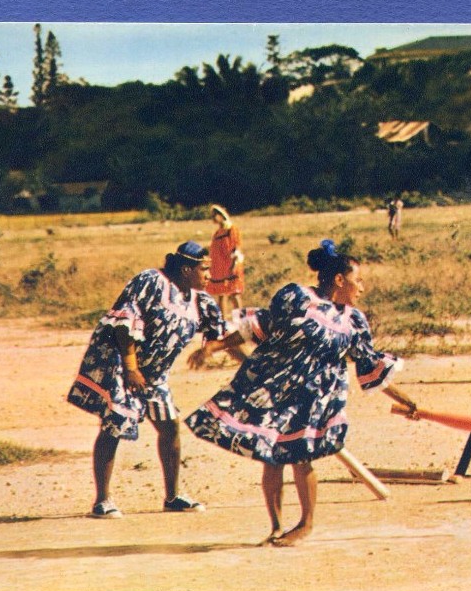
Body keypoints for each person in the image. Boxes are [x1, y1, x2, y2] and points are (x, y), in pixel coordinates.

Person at [185, 240, 420, 546]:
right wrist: (215, 346)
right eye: (357, 280)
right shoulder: (296, 298)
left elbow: (370, 368)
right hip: (277, 390)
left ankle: (305, 524)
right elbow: (259, 327)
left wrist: (407, 401)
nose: (361, 287)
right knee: (270, 457)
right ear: (339, 280)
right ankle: (276, 527)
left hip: (315, 401)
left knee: (301, 458)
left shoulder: (353, 322)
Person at [67, 241, 243, 518]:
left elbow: (223, 337)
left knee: (170, 426)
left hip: (155, 377)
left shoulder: (200, 301)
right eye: (204, 270)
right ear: (186, 269)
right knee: (114, 424)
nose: (209, 275)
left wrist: (247, 364)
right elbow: (125, 323)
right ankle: (102, 501)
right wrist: (130, 368)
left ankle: (172, 497)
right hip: (125, 368)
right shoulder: (151, 282)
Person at [205, 204, 245, 318]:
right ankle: (223, 320)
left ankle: (241, 319)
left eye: (214, 215)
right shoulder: (218, 233)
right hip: (219, 267)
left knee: (234, 294)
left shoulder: (231, 229)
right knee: (221, 294)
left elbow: (236, 247)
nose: (213, 218)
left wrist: (234, 264)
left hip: (231, 265)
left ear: (221, 216)